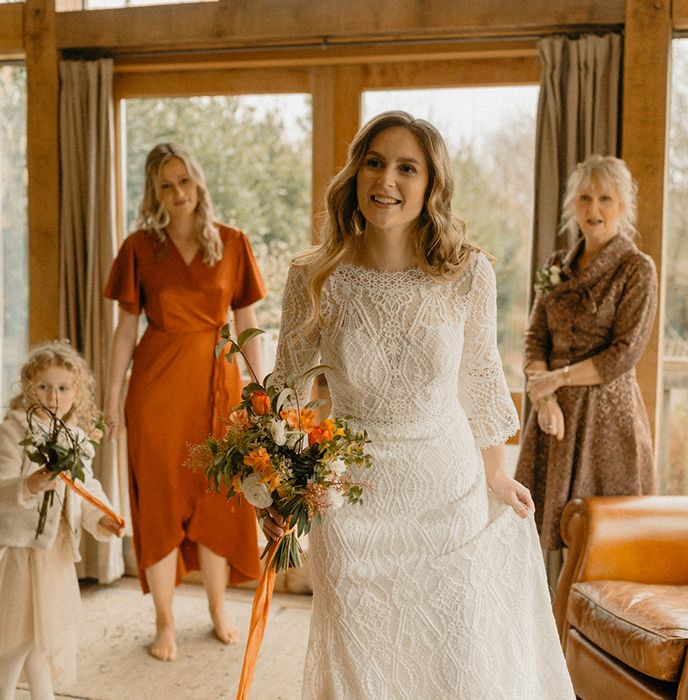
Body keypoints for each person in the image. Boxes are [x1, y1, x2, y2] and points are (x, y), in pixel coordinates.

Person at [264, 111, 574, 698]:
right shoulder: (314, 276)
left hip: (446, 490)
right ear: (356, 174)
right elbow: (287, 393)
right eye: (375, 163)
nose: (388, 180)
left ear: (431, 185)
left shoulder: (467, 273)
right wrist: (278, 492)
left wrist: (497, 477)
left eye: (408, 167)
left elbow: (480, 379)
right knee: (362, 663)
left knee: (451, 656)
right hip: (350, 497)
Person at [103, 143, 267, 662]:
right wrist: (112, 397)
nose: (178, 194)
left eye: (184, 182)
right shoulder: (138, 247)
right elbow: (125, 331)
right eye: (165, 185)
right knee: (160, 502)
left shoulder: (234, 244)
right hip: (155, 391)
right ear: (154, 191)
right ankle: (165, 622)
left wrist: (262, 390)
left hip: (220, 387)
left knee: (220, 499)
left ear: (199, 183)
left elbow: (249, 326)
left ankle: (219, 611)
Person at [516, 154, 658, 583]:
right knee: (531, 533)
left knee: (599, 545)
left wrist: (557, 379)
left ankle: (582, 638)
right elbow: (534, 340)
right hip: (552, 418)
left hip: (606, 422)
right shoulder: (556, 267)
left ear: (623, 206)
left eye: (605, 199)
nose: (594, 209)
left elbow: (624, 353)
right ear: (572, 205)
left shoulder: (637, 269)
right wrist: (544, 400)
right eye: (585, 198)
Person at [0, 341, 125, 700]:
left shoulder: (75, 438)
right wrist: (30, 483)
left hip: (56, 552)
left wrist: (102, 518)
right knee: (15, 640)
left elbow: (85, 488)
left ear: (76, 394)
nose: (53, 396)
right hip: (22, 553)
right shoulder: (13, 432)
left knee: (43, 639)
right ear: (27, 387)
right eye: (44, 386)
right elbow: (2, 488)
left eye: (63, 388)